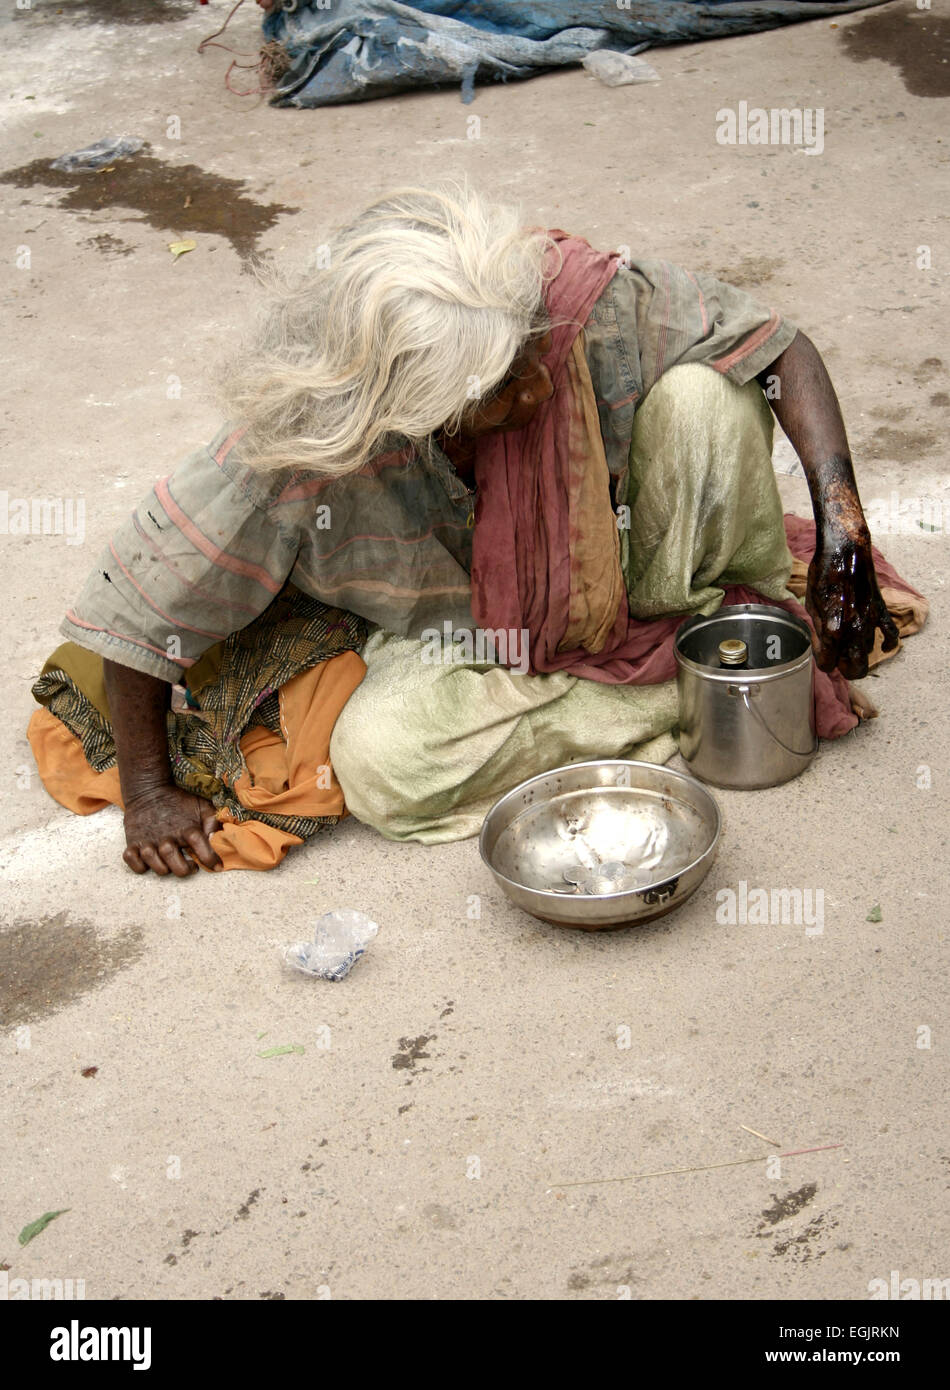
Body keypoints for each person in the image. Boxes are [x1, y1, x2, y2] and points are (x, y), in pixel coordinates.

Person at [32, 183, 909, 877]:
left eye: (530, 351)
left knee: (707, 395)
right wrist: (147, 792)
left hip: (636, 553)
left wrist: (844, 533)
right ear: (402, 407)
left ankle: (702, 634)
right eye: (497, 387)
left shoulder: (571, 302)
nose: (535, 387)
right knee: (380, 765)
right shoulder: (302, 452)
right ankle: (710, 684)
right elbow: (147, 602)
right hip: (478, 635)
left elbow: (781, 345)